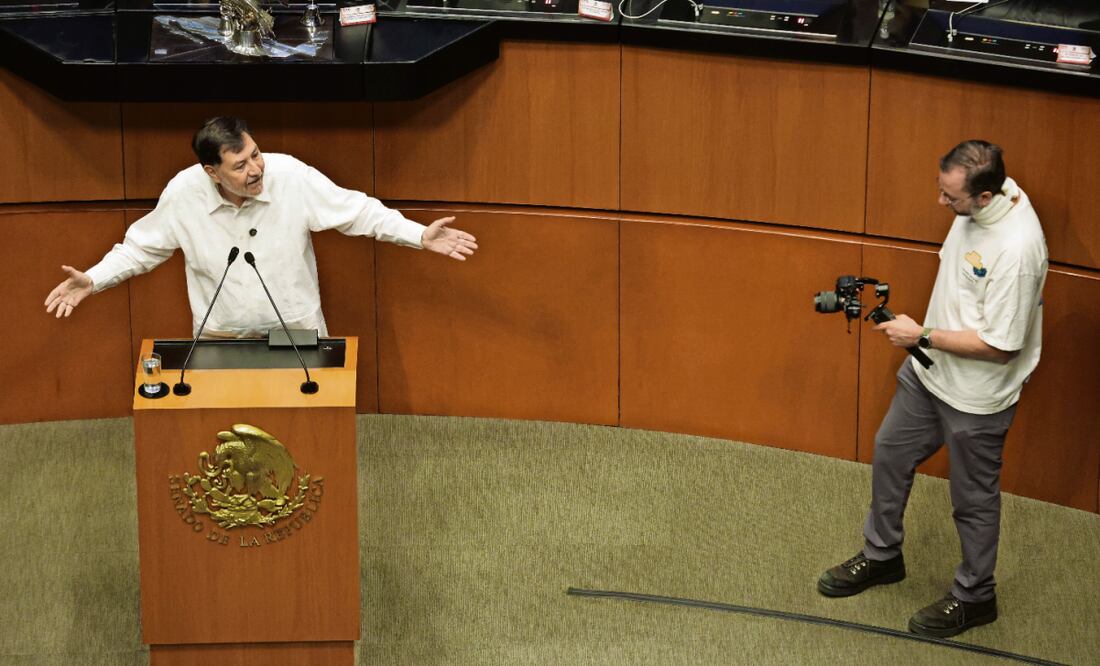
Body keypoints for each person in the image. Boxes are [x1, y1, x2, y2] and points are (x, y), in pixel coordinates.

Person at [817, 140, 1048, 638]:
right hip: (928, 374)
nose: (943, 205)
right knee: (890, 455)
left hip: (977, 397)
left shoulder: (1018, 250)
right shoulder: (984, 199)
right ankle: (882, 557)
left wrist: (920, 334)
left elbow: (1002, 346)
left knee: (972, 500)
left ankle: (975, 597)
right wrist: (925, 346)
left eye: (953, 199)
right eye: (942, 192)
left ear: (985, 198)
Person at [44, 117, 478, 336]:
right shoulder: (184, 193)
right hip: (219, 337)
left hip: (296, 332)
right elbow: (141, 248)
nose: (256, 169)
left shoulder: (289, 176)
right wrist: (94, 280)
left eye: (255, 154)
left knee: (308, 440)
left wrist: (418, 235)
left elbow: (357, 211)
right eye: (240, 165)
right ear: (211, 172)